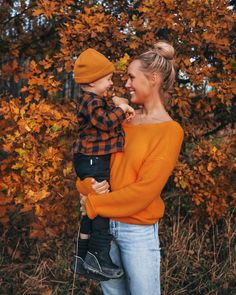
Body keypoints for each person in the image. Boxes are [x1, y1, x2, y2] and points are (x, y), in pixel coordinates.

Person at [76, 41, 184, 295]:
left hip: (136, 231)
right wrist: (85, 186)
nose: (125, 84)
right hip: (103, 229)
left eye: (131, 77)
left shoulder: (169, 131)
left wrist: (93, 204)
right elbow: (93, 161)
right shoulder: (122, 120)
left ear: (154, 78)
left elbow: (145, 191)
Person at [71, 48, 135, 281]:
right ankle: (99, 255)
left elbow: (107, 116)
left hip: (90, 159)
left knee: (90, 207)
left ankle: (81, 257)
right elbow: (106, 122)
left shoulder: (94, 100)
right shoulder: (91, 102)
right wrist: (120, 109)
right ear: (93, 81)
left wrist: (118, 104)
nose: (111, 83)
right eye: (108, 79)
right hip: (92, 160)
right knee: (101, 205)